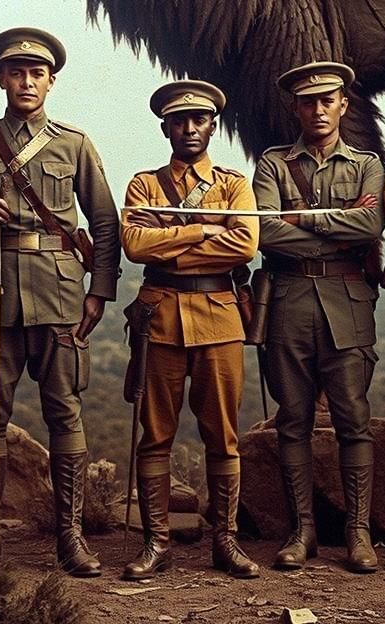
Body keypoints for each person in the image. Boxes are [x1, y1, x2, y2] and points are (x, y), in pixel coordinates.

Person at [0, 27, 120, 576]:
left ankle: (70, 538)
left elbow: (104, 222)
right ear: (1, 78)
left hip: (61, 293)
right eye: (16, 72)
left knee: (65, 410)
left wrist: (101, 290)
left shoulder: (74, 143)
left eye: (37, 73)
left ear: (51, 81)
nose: (26, 81)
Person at [120, 81, 259, 579]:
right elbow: (135, 244)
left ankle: (226, 540)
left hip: (220, 314)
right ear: (166, 127)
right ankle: (156, 542)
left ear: (212, 125)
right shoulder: (144, 184)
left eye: (199, 120)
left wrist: (168, 236)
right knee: (155, 435)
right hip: (159, 317)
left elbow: (243, 246)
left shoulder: (234, 184)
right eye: (179, 121)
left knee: (222, 435)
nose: (189, 129)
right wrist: (202, 230)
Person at [253, 61, 385, 573]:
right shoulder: (273, 165)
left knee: (353, 417)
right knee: (293, 420)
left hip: (348, 299)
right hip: (288, 299)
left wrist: (303, 218)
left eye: (327, 100)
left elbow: (370, 224)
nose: (318, 109)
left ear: (343, 104)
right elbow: (265, 231)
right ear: (296, 108)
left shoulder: (368, 164)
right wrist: (340, 223)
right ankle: (301, 530)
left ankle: (358, 532)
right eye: (308, 101)